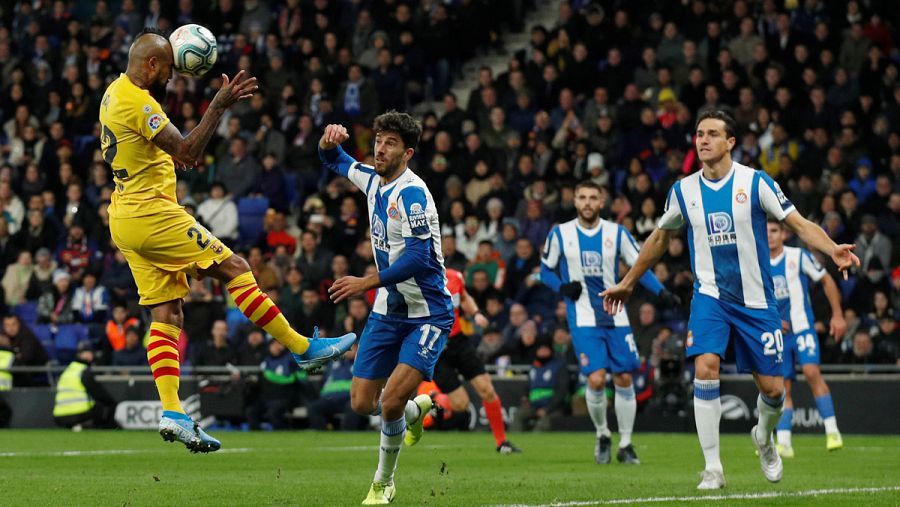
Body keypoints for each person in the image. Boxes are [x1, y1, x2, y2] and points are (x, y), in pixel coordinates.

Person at [98, 28, 355, 453]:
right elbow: (189, 151)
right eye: (169, 68)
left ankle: (173, 411)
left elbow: (153, 147)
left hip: (124, 216)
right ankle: (303, 348)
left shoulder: (113, 92)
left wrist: (169, 156)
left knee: (168, 311)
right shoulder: (139, 101)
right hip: (152, 214)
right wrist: (217, 105)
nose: (173, 77)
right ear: (150, 65)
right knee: (235, 267)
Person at [600, 110, 859, 489]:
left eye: (712, 134)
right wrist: (628, 281)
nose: (702, 140)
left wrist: (832, 248)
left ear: (730, 142)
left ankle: (765, 438)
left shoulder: (756, 183)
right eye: (699, 134)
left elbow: (798, 223)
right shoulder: (683, 191)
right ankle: (713, 468)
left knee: (773, 391)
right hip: (710, 297)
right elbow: (659, 238)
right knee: (706, 366)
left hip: (757, 303)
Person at [320, 112, 454, 505]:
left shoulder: (412, 194)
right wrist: (328, 141)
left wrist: (364, 281)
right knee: (362, 403)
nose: (380, 147)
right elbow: (334, 160)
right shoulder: (372, 179)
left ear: (407, 152)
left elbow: (418, 259)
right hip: (388, 310)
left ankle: (383, 483)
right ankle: (415, 411)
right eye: (379, 139)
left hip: (427, 312)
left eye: (391, 142)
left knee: (389, 401)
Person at [540, 180, 679, 465]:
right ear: (575, 201)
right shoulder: (560, 234)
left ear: (602, 203)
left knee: (625, 377)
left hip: (616, 317)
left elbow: (640, 265)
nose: (588, 202)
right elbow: (545, 271)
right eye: (582, 197)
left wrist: (662, 292)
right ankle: (603, 433)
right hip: (583, 318)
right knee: (596, 378)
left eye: (593, 197)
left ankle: (626, 443)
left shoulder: (616, 233)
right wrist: (562, 287)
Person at [767, 219, 846, 457]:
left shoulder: (798, 256)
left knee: (812, 372)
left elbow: (826, 280)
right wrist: (770, 322)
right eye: (766, 231)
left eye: (774, 231)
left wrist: (838, 315)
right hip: (777, 335)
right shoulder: (758, 262)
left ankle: (832, 431)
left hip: (802, 328)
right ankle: (784, 442)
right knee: (783, 387)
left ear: (784, 234)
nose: (769, 235)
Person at [432, 268, 521, 453]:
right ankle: (426, 403)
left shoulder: (454, 276)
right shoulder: (417, 278)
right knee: (460, 405)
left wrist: (476, 313)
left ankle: (501, 442)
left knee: (487, 390)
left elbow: (463, 297)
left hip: (458, 342)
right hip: (435, 346)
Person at [53, 343, 118, 430]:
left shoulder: (67, 371)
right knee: (105, 406)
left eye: (89, 352)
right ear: (80, 355)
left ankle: (76, 426)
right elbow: (99, 393)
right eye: (87, 352)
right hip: (78, 414)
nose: (89, 355)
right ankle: (99, 428)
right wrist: (112, 402)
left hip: (59, 416)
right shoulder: (83, 371)